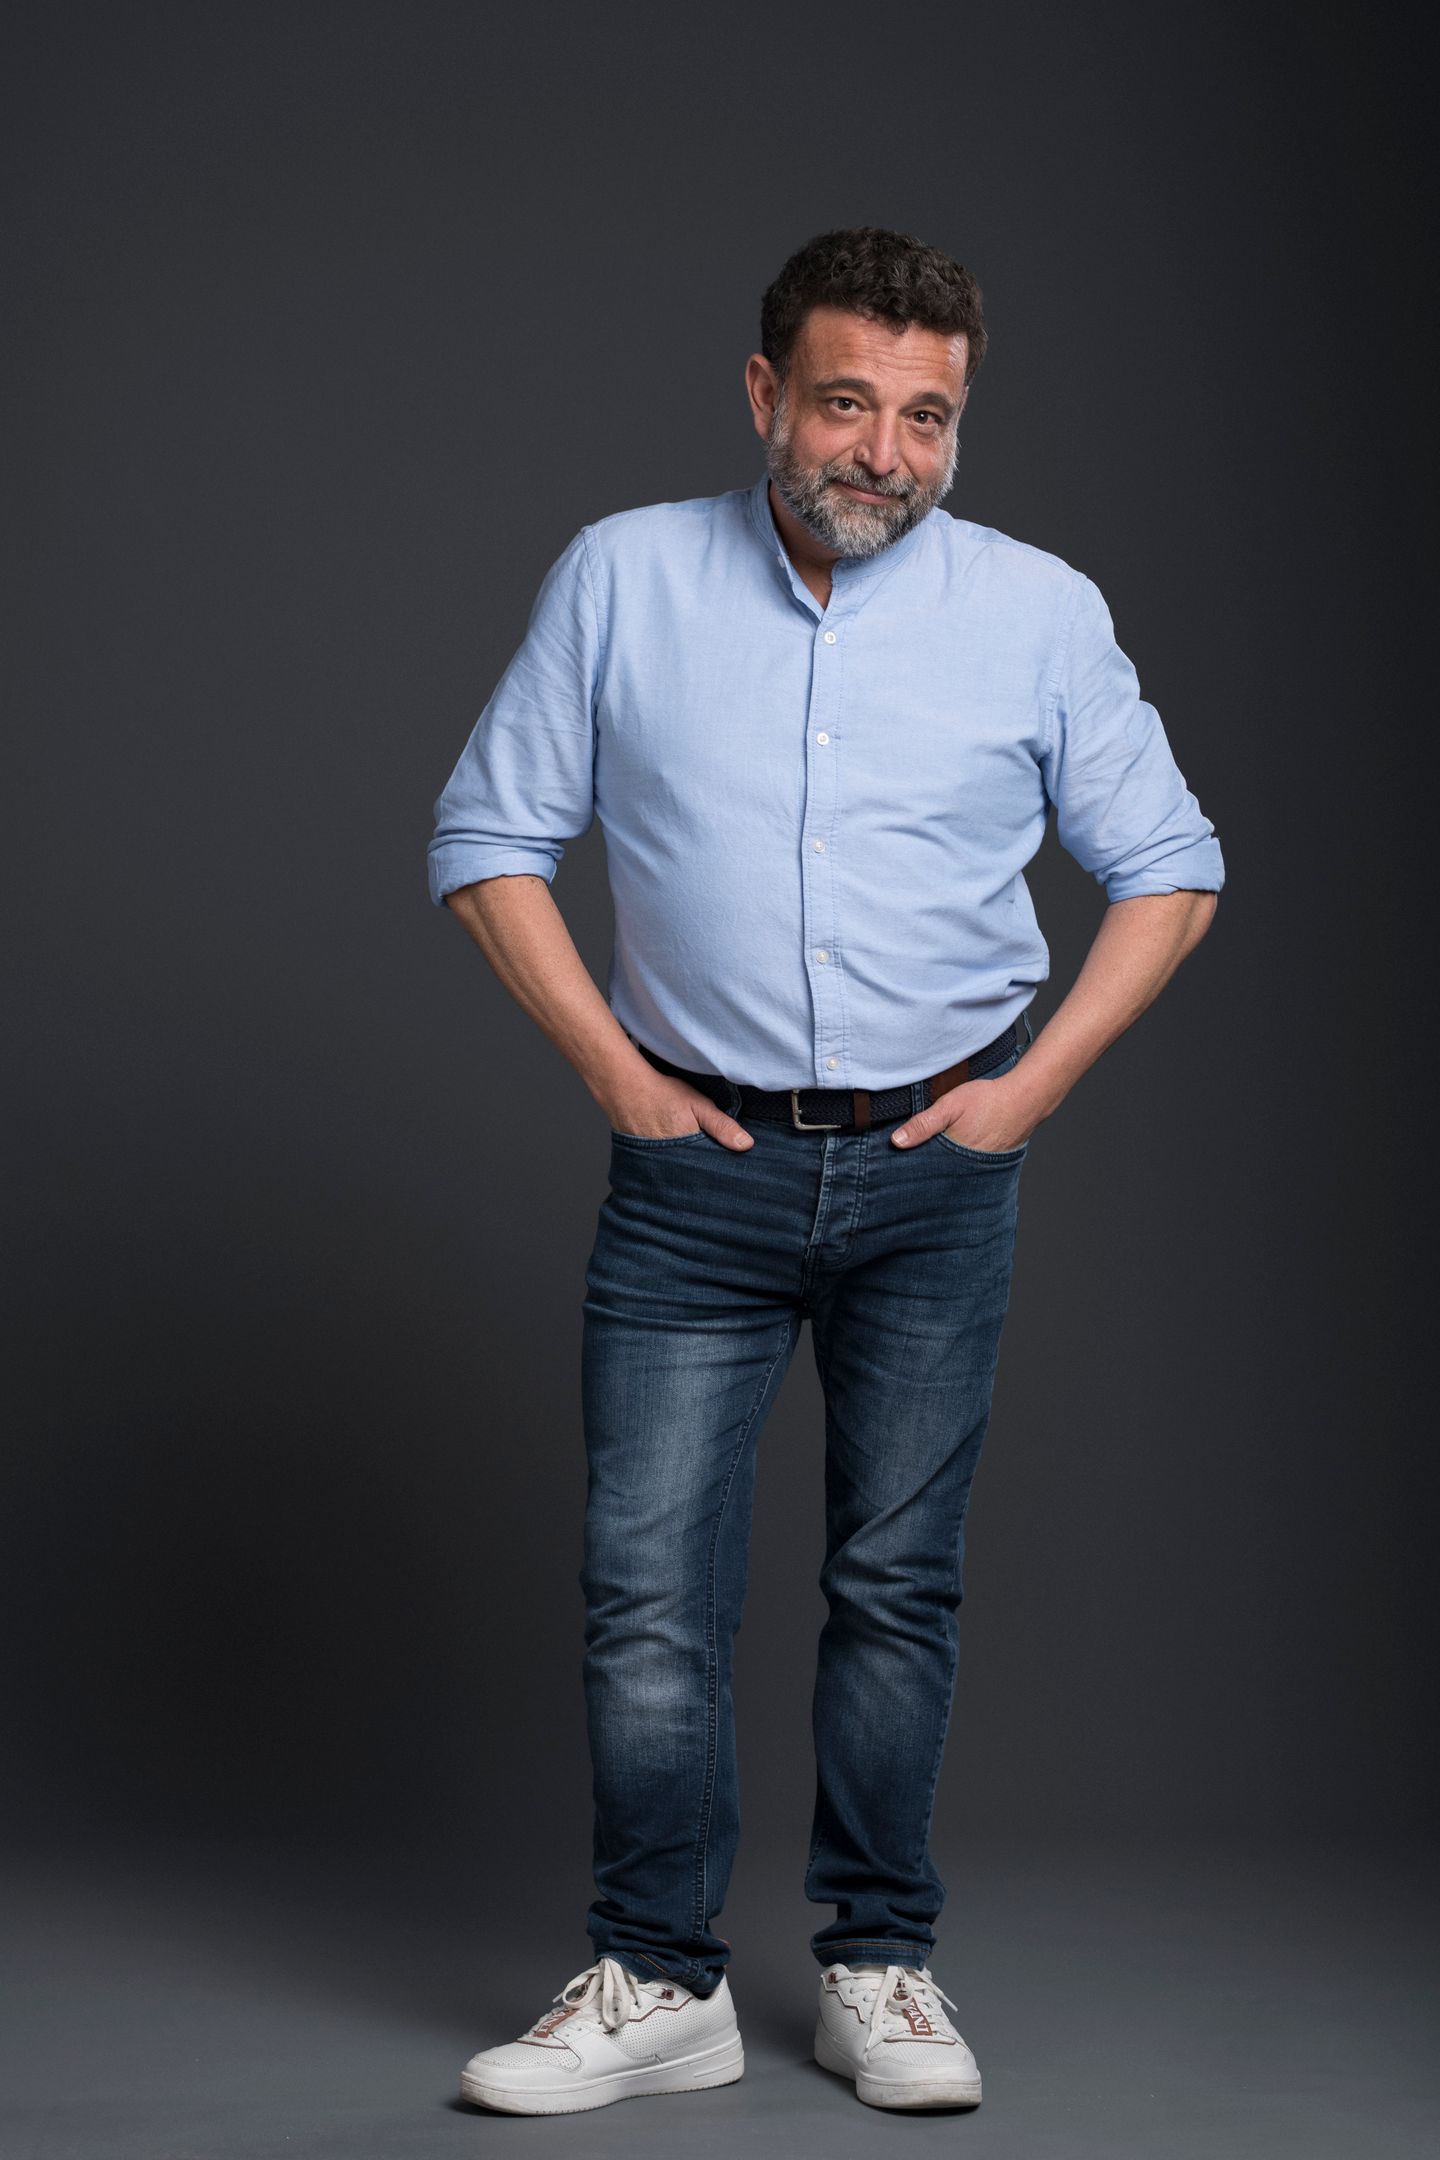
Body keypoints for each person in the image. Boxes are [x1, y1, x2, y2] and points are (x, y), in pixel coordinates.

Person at [427, 225, 1224, 2117]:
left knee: (896, 1584)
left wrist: (1032, 1090)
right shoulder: (623, 576)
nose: (885, 451)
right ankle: (658, 1976)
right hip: (692, 1173)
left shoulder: (1038, 610)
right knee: (648, 1594)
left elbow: (1173, 866)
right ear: (764, 393)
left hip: (939, 1167)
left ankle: (879, 1963)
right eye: (848, 402)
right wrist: (618, 1077)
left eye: (927, 417)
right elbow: (487, 837)